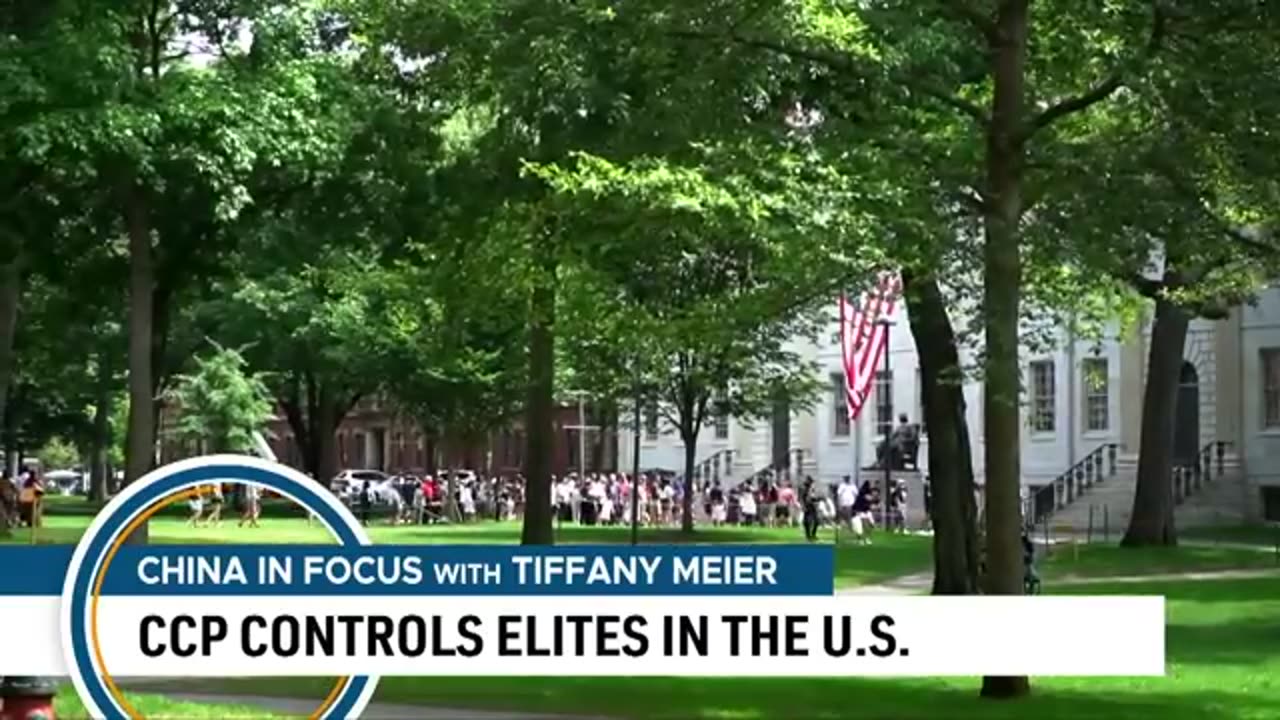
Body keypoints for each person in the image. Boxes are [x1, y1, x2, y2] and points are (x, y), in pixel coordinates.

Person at [800, 476, 819, 542]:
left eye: (811, 482)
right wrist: (803, 506)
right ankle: (808, 536)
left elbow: (813, 498)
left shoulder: (812, 489)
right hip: (807, 506)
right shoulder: (804, 489)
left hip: (812, 506)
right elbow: (802, 499)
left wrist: (817, 500)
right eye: (810, 481)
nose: (811, 483)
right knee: (806, 522)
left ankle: (813, 535)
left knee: (817, 521)